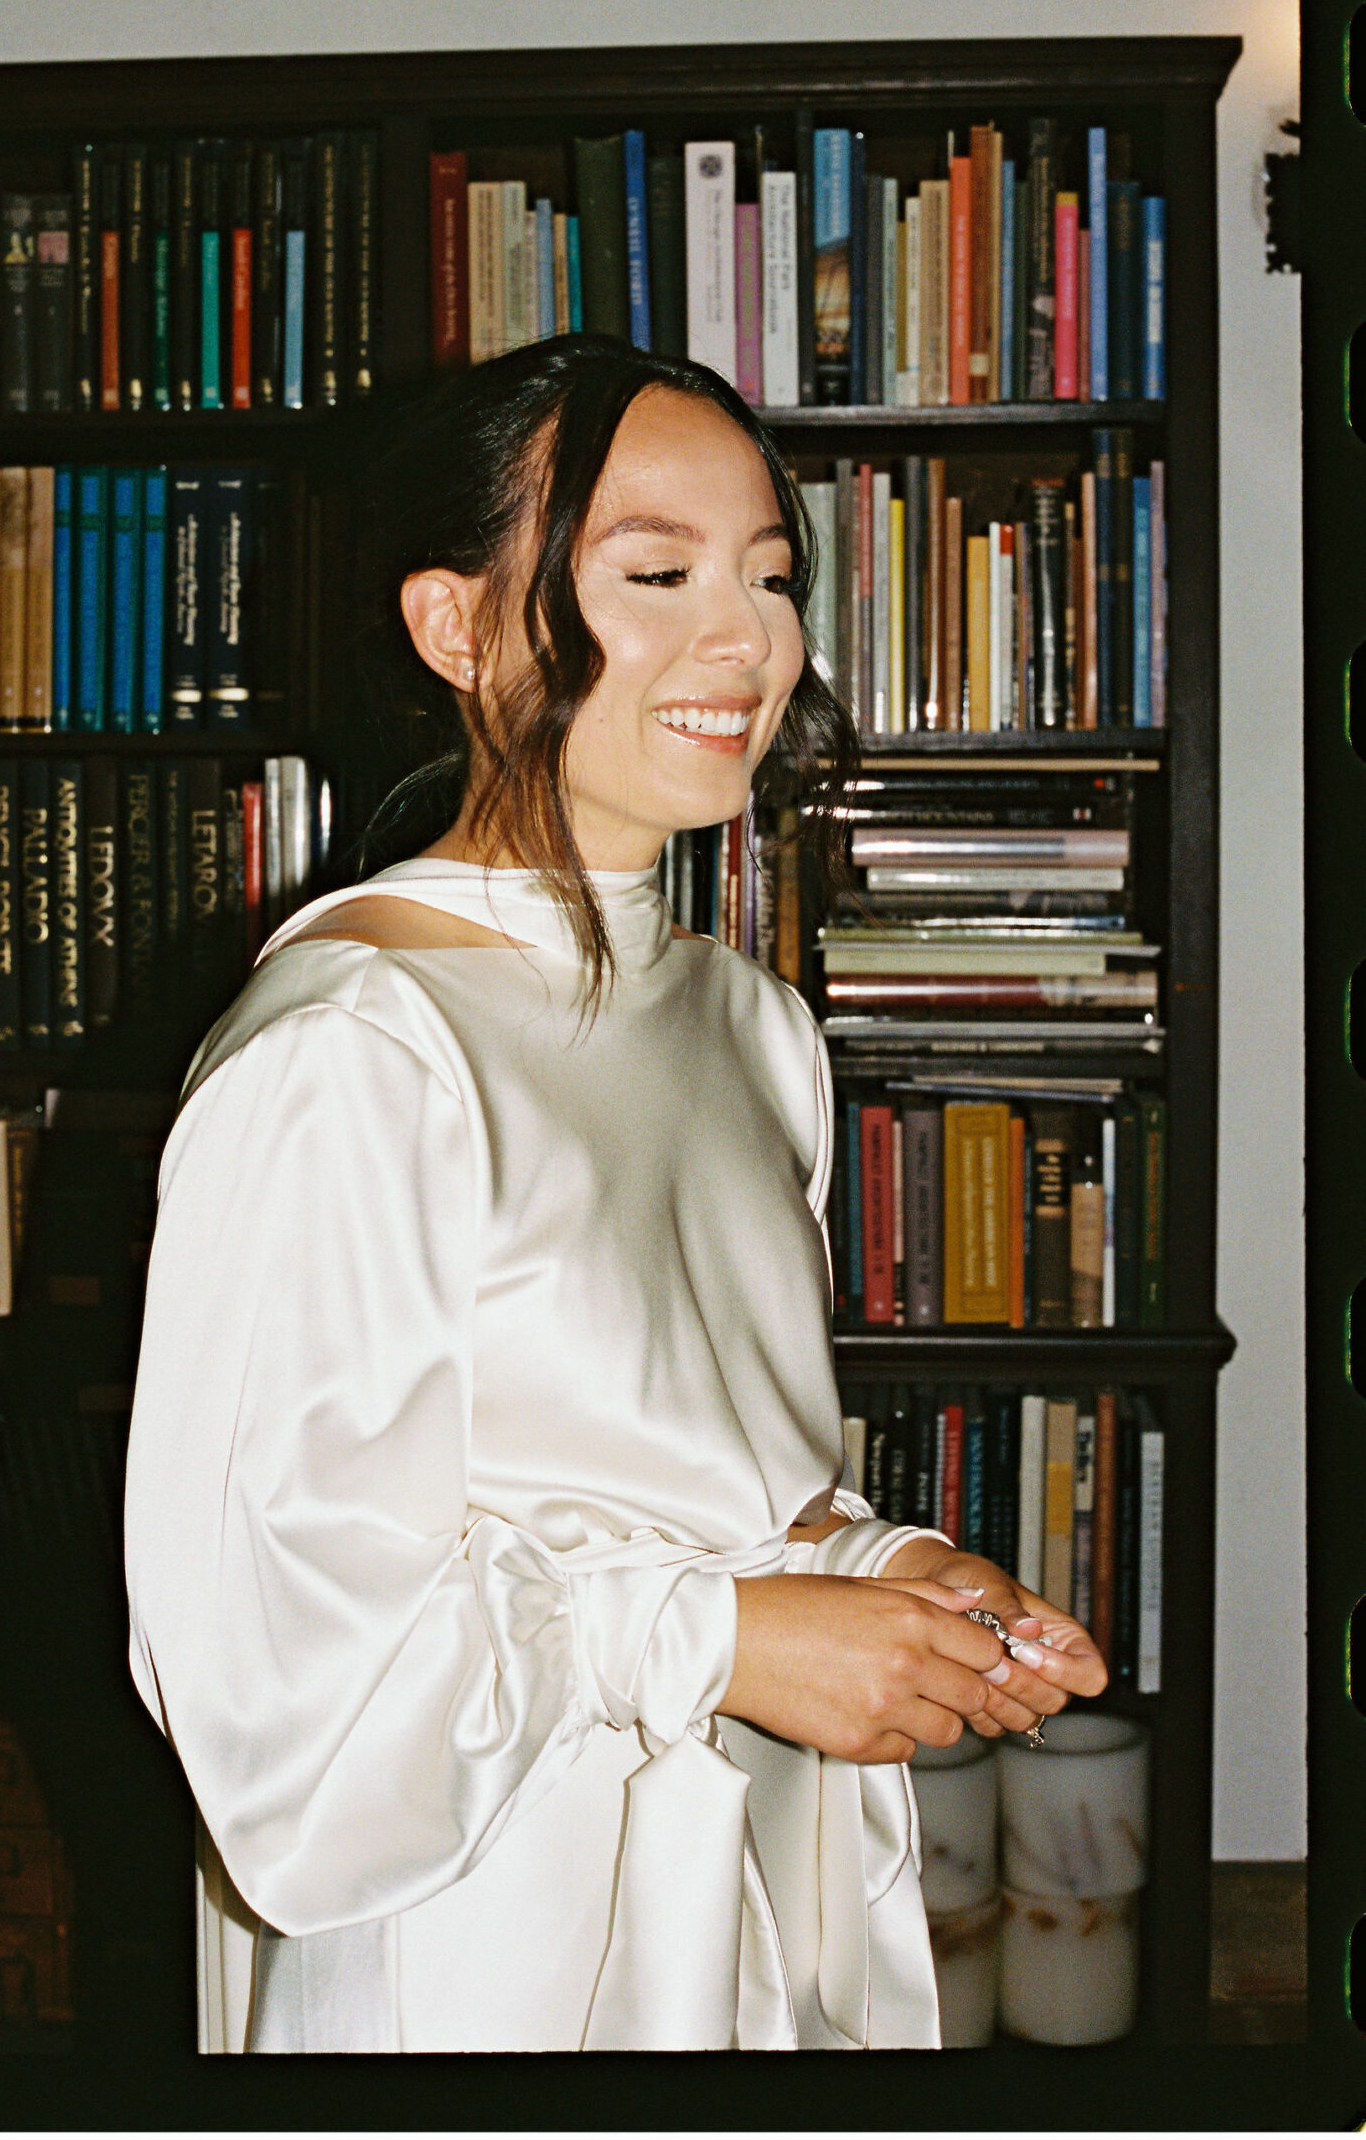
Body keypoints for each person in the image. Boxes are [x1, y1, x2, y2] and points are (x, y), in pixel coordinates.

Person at [123, 336, 1107, 2053]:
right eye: (656, 574)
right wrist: (718, 1640)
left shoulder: (752, 1027)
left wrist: (890, 1572)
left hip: (731, 1898)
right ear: (461, 628)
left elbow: (707, 1485)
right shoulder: (356, 1049)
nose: (746, 640)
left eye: (771, 577)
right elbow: (279, 1671)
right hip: (479, 1937)